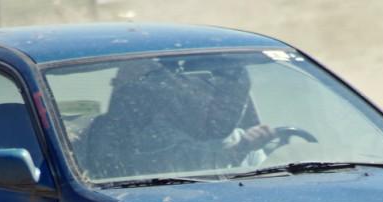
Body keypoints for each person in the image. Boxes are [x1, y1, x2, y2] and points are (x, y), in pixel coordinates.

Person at [84, 57, 275, 180]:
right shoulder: (151, 135)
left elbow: (271, 179)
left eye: (235, 97)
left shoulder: (243, 139)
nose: (228, 106)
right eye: (219, 95)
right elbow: (178, 177)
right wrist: (239, 150)